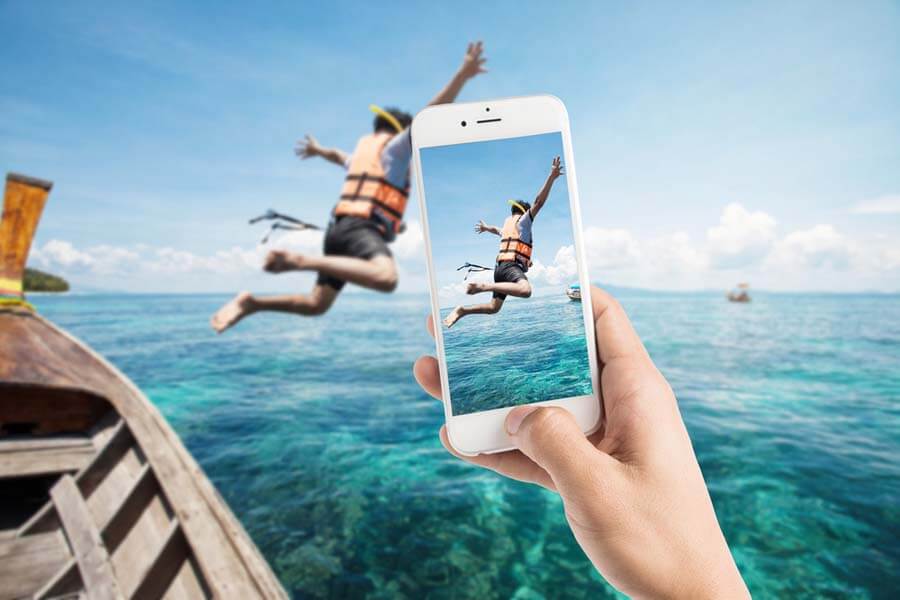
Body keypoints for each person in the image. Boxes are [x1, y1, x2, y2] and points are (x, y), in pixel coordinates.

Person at [415, 287, 751, 598]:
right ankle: (475, 295)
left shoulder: (511, 236)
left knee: (497, 305)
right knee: (523, 292)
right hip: (509, 271)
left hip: (505, 272)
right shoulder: (519, 227)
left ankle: (472, 297)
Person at [211, 41, 489, 333]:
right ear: (398, 131)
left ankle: (252, 304)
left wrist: (318, 150)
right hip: (360, 228)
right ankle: (299, 260)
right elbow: (427, 117)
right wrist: (462, 75)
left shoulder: (360, 158)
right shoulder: (394, 150)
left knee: (317, 304)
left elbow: (336, 156)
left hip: (337, 231)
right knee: (386, 278)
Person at [443, 156, 563, 328]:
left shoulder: (507, 228)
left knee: (494, 308)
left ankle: (463, 311)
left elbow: (495, 230)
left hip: (499, 269)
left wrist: (485, 228)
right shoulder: (524, 221)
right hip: (508, 268)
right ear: (523, 211)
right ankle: (483, 287)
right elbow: (539, 202)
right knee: (526, 290)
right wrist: (552, 177)